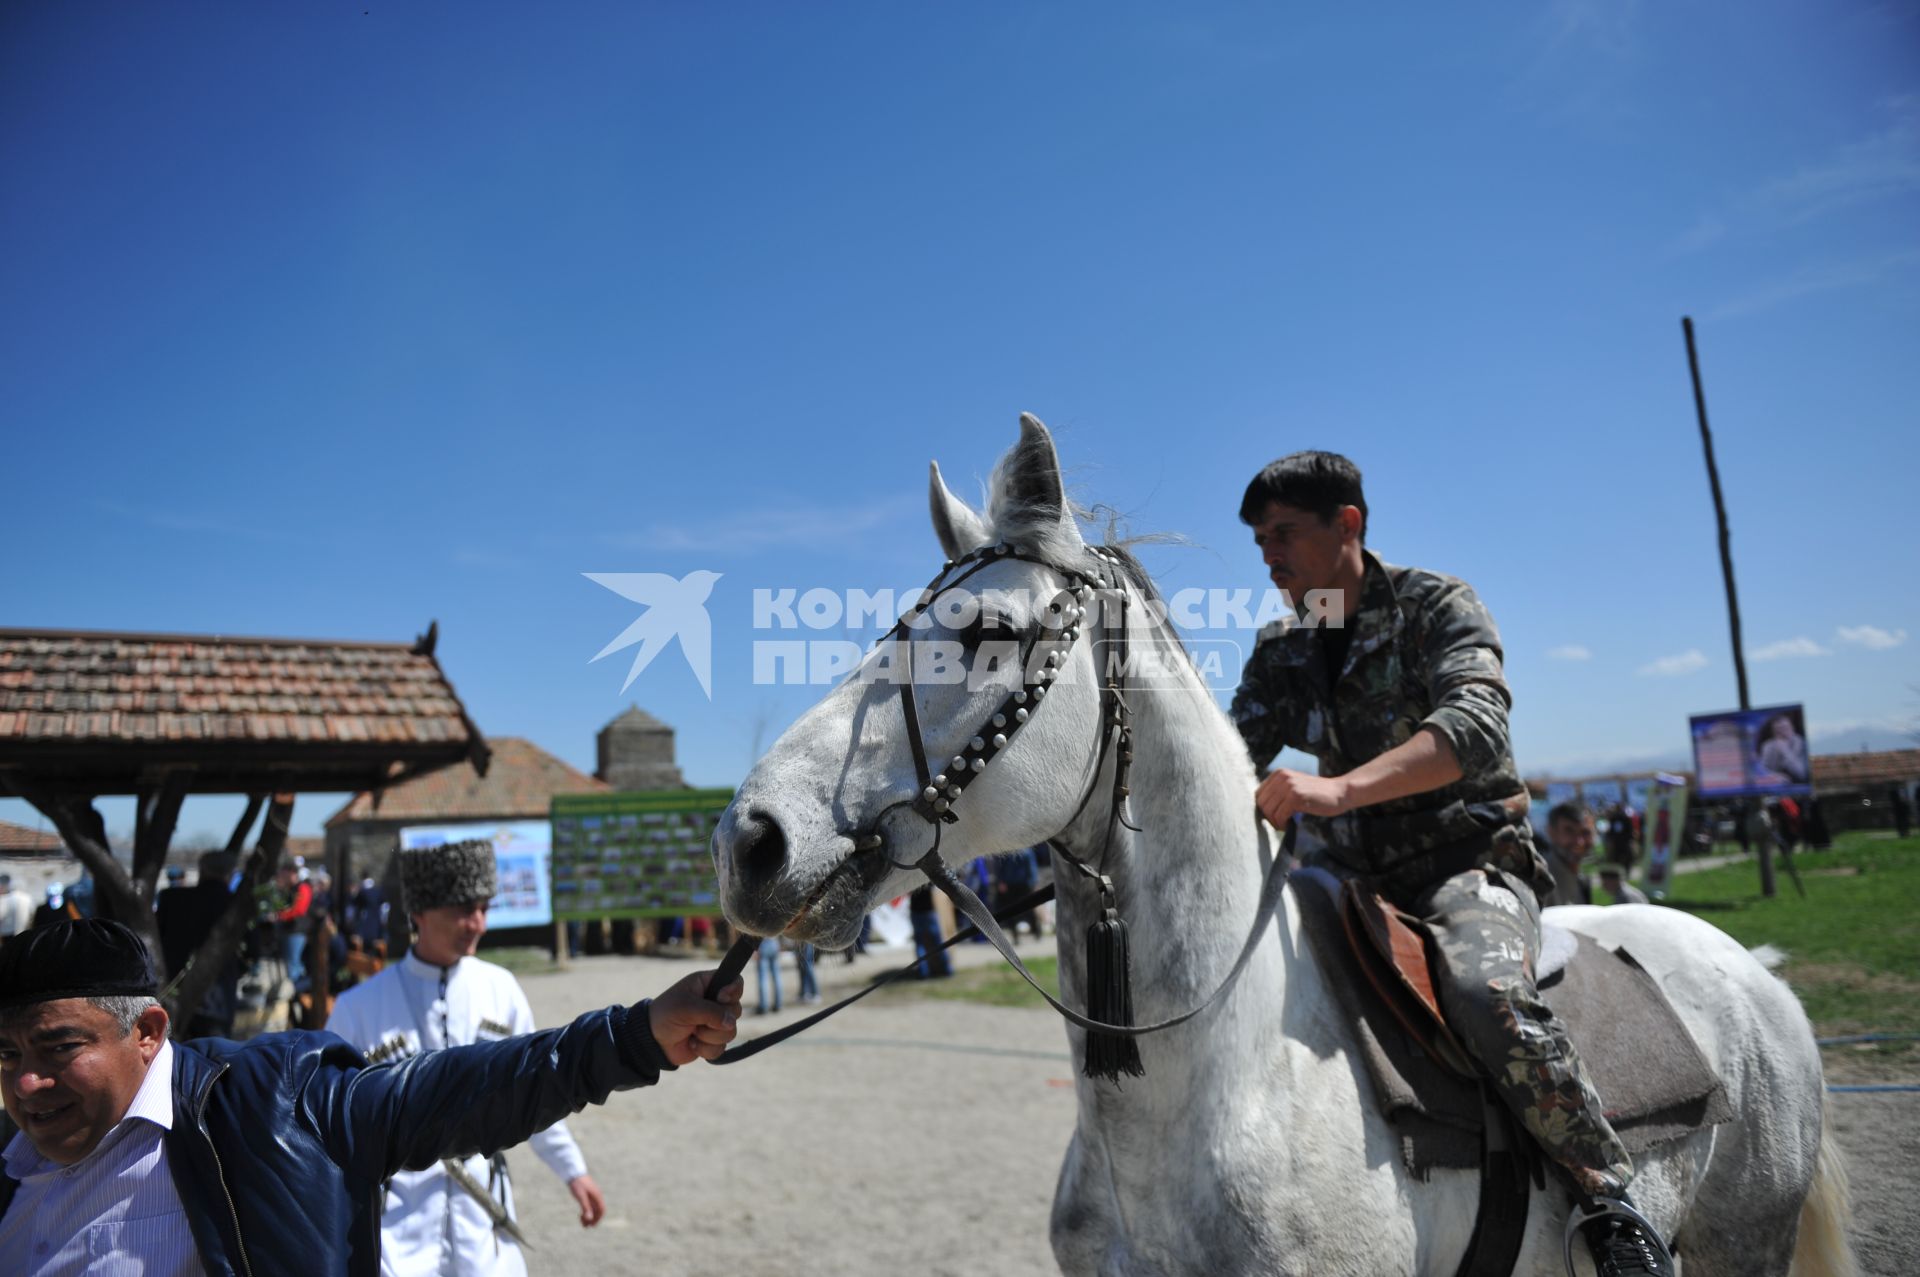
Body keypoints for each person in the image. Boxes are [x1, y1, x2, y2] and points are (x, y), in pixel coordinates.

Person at [1228, 451, 1672, 1275]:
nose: (1269, 554)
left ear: (1348, 525)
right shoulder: (1284, 645)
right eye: (1260, 540)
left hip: (1463, 864)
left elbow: (1473, 728)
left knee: (1485, 994)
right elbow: (1232, 755)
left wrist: (1337, 789)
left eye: (1284, 532)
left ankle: (1611, 1202)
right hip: (1345, 876)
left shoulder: (1437, 604)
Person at [0, 917, 739, 1276]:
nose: (27, 1083)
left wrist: (635, 1035)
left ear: (149, 1031)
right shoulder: (8, 1167)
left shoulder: (269, 1107)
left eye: (60, 1047)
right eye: (6, 1054)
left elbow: (450, 1089)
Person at [327, 839, 606, 1276]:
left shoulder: (501, 989)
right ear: (418, 913)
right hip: (396, 1236)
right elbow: (330, 1127)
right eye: (462, 909)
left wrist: (574, 1171)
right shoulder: (357, 1008)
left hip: (484, 1229)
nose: (477, 923)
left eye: (484, 908)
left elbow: (536, 1092)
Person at [154, 852, 243, 1039]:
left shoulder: (172, 899)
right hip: (217, 998)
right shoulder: (236, 904)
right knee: (216, 1058)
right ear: (230, 874)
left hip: (173, 992)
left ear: (202, 870)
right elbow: (252, 951)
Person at [1542, 802, 1595, 906]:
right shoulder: (1541, 879)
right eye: (1569, 831)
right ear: (1552, 833)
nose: (1579, 842)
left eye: (1585, 832)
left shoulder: (1582, 878)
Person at [1756, 713, 1809, 784]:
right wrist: (1774, 775)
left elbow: (1802, 774)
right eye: (1778, 730)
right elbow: (1762, 770)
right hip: (1778, 785)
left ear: (1792, 728)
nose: (1782, 732)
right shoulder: (1769, 745)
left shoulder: (1802, 743)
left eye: (1785, 728)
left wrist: (1785, 750)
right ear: (1773, 732)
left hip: (1800, 785)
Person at [754, 934, 783, 1015]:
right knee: (777, 976)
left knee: (763, 978)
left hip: (763, 943)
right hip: (774, 942)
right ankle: (778, 1004)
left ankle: (763, 1006)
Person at [0, 877, 34, 941]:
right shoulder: (28, 898)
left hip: (7, 932)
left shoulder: (5, 898)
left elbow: (1, 914)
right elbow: (32, 913)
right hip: (24, 931)